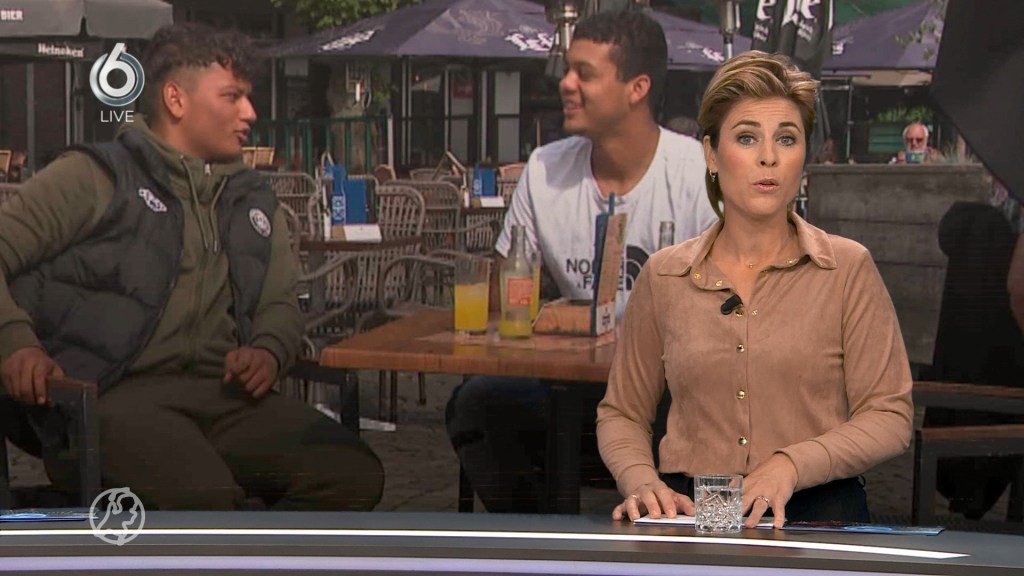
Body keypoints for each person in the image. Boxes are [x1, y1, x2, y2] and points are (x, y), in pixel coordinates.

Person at [0, 23, 384, 511]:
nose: (250, 112)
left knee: (351, 475)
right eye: (232, 96)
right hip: (105, 398)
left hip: (224, 398)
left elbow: (281, 303)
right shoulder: (95, 176)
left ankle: (249, 548)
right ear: (176, 100)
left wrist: (268, 350)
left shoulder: (252, 200)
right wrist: (16, 343)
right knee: (207, 501)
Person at [597, 51, 914, 527]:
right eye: (747, 137)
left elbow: (890, 416)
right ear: (711, 154)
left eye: (786, 138)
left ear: (803, 155)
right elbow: (621, 412)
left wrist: (792, 464)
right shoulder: (664, 276)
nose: (769, 156)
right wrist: (641, 481)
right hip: (693, 514)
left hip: (818, 512)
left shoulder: (847, 269)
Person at [446, 9, 717, 513]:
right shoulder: (546, 169)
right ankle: (544, 537)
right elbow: (503, 292)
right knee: (475, 404)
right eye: (567, 69)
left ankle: (686, 540)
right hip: (571, 394)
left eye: (584, 73)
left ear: (637, 88)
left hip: (674, 400)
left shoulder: (698, 175)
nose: (565, 83)